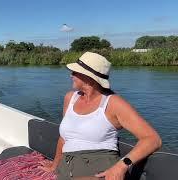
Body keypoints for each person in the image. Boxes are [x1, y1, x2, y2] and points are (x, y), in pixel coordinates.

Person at [39, 52, 162, 180]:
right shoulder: (70, 98)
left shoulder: (113, 103)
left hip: (99, 171)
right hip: (66, 169)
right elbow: (64, 138)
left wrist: (121, 166)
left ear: (88, 77)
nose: (71, 75)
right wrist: (55, 165)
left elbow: (152, 139)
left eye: (75, 72)